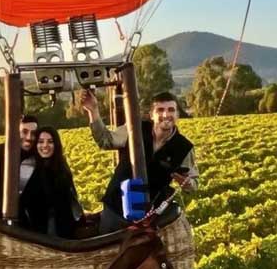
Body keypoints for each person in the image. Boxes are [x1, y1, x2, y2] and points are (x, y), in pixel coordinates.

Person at [79, 89, 198, 233]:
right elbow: (106, 141)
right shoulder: (134, 129)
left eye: (171, 110)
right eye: (160, 110)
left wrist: (187, 183)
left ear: (178, 114)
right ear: (151, 115)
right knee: (108, 245)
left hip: (149, 218)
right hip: (115, 209)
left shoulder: (184, 147)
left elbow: (193, 184)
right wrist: (93, 110)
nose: (166, 115)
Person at [19, 127, 83, 238]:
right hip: (37, 231)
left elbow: (71, 196)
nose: (45, 145)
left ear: (56, 144)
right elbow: (20, 201)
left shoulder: (61, 165)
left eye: (50, 142)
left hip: (65, 228)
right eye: (40, 142)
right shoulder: (27, 166)